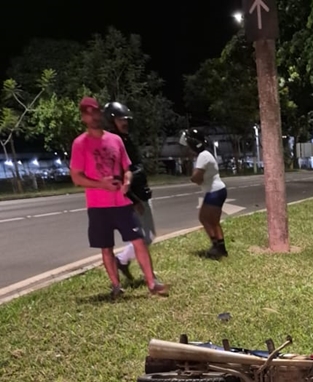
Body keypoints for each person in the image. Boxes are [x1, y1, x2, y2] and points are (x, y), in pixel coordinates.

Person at [70, 97, 167, 298]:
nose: (93, 116)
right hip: (98, 206)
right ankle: (116, 286)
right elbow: (76, 177)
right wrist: (101, 184)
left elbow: (127, 168)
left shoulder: (116, 140)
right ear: (83, 118)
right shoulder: (80, 144)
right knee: (106, 247)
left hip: (122, 203)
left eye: (95, 111)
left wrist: (127, 182)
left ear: (100, 114)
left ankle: (151, 282)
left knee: (139, 240)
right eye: (88, 113)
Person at [103, 101, 156, 284]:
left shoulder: (125, 140)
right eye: (120, 119)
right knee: (144, 237)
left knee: (147, 236)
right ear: (111, 121)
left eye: (125, 119)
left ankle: (123, 261)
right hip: (134, 197)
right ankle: (134, 267)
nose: (125, 122)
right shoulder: (113, 145)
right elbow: (119, 176)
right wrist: (134, 200)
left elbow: (135, 167)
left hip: (141, 192)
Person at [183, 128, 228, 259]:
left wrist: (193, 178)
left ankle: (217, 247)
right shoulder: (205, 154)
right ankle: (220, 247)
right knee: (211, 220)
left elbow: (196, 177)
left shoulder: (203, 156)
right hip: (216, 190)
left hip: (214, 191)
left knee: (206, 219)